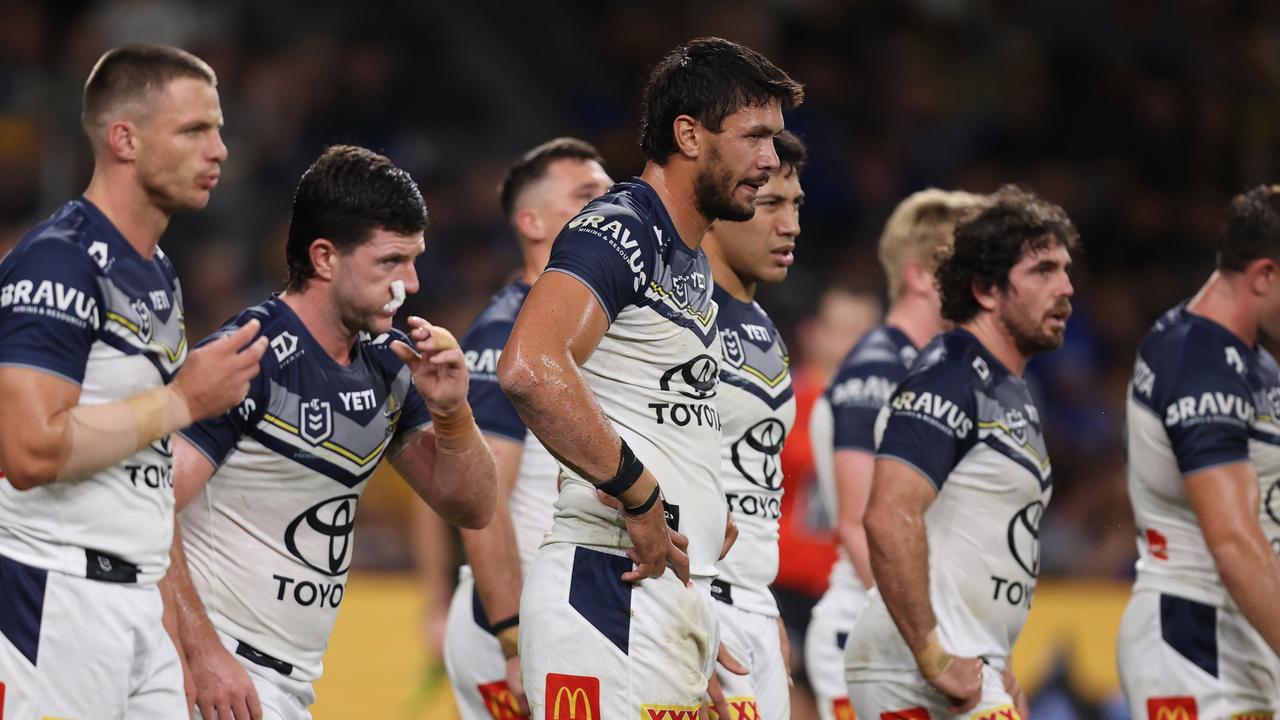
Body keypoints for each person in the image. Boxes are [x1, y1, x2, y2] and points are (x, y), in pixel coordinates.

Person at [497, 37, 803, 718]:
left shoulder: (687, 258)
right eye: (755, 136)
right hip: (607, 588)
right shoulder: (622, 227)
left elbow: (653, 404)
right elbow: (530, 368)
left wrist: (700, 530)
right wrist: (642, 498)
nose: (769, 161)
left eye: (775, 140)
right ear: (689, 135)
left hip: (656, 594)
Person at [162, 144, 497, 720]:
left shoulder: (389, 369)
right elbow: (147, 504)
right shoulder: (249, 358)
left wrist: (453, 414)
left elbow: (473, 506)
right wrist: (201, 651)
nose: (409, 284)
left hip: (287, 683)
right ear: (324, 258)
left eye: (414, 260)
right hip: (218, 677)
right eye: (390, 262)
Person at [0, 44, 267, 719]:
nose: (220, 150)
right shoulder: (57, 261)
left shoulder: (156, 271)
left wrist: (179, 640)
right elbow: (27, 451)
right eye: (194, 130)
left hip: (138, 606)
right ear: (124, 139)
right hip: (53, 601)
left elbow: (144, 463)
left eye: (218, 129)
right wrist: (183, 400)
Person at [844, 185, 1076, 718]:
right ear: (987, 289)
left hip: (967, 658)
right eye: (1043, 271)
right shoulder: (949, 374)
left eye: (1066, 270)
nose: (1066, 287)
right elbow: (887, 514)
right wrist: (931, 654)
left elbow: (983, 543)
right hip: (913, 669)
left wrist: (1000, 661)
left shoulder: (1009, 388)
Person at [443, 137, 612, 719]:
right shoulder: (503, 335)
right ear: (532, 221)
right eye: (587, 195)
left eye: (611, 193)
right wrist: (513, 638)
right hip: (513, 621)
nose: (609, 207)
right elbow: (481, 500)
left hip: (574, 609)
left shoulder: (588, 326)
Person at [807, 189, 985, 720]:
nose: (983, 287)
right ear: (921, 276)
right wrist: (932, 640)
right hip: (872, 628)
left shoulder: (927, 368)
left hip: (905, 626)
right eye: (969, 270)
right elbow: (862, 525)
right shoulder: (878, 370)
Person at [1117, 184, 1280, 718]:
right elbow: (1233, 540)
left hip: (1241, 634)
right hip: (1194, 638)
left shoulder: (1248, 361)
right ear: (1264, 275)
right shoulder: (1199, 364)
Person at [699, 128, 805, 720]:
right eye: (770, 205)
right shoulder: (675, 313)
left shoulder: (764, 324)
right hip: (695, 602)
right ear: (722, 205)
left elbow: (756, 482)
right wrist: (687, 613)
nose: (790, 225)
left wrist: (764, 611)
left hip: (753, 608)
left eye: (795, 205)